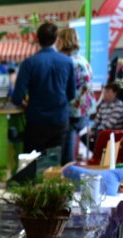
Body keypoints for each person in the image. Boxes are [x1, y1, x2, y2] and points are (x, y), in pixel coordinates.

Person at [11, 22, 75, 162]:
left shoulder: (29, 63)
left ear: (36, 38)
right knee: (56, 163)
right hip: (60, 120)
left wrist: (26, 106)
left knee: (33, 164)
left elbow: (17, 97)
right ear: (57, 38)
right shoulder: (67, 62)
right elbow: (71, 94)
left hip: (36, 121)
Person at [57, 28, 95, 163]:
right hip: (84, 110)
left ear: (61, 41)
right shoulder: (83, 60)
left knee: (67, 152)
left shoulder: (69, 62)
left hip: (73, 111)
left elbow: (68, 89)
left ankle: (66, 176)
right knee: (71, 146)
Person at [88, 82, 123, 151]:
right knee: (85, 137)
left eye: (107, 92)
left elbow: (109, 125)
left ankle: (99, 155)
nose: (104, 94)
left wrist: (96, 131)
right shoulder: (104, 105)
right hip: (102, 131)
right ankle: (98, 154)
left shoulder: (119, 106)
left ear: (114, 93)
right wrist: (92, 129)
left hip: (113, 133)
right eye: (104, 91)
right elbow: (97, 120)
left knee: (98, 135)